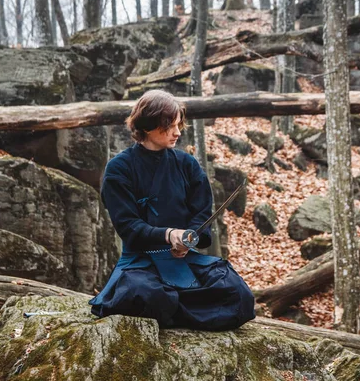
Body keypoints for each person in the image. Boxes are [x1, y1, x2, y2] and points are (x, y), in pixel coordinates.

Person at [89, 90, 256, 331]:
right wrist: (169, 235)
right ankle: (188, 308)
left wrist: (189, 238)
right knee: (146, 294)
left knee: (237, 293)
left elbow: (202, 212)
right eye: (170, 126)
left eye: (179, 124)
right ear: (147, 126)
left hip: (184, 259)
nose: (178, 132)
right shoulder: (119, 169)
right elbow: (128, 226)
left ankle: (177, 308)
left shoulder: (186, 164)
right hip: (141, 262)